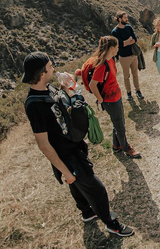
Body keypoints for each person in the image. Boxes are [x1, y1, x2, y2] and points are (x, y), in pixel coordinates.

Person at [22, 51, 135, 236]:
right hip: (66, 155)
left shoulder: (48, 89)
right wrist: (65, 170)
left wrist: (68, 89)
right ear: (42, 73)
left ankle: (87, 212)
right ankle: (111, 223)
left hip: (73, 146)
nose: (53, 69)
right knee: (96, 188)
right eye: (50, 67)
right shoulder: (34, 104)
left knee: (76, 184)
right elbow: (43, 144)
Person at [80, 37, 141, 159]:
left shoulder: (111, 60)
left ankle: (116, 145)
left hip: (115, 96)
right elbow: (93, 85)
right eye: (117, 47)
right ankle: (126, 147)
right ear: (112, 48)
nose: (118, 49)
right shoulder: (102, 66)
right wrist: (101, 100)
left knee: (118, 122)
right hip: (110, 100)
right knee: (120, 125)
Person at [111, 11, 143, 101]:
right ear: (119, 19)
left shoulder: (129, 27)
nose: (127, 19)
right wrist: (128, 40)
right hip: (124, 57)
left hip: (133, 55)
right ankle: (129, 93)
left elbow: (135, 39)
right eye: (125, 18)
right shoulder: (115, 32)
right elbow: (120, 44)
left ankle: (138, 91)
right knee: (126, 76)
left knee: (135, 74)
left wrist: (127, 42)